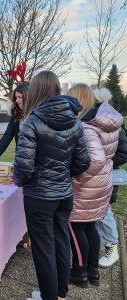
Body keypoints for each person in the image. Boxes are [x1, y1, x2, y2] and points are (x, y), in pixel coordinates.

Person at [13, 71, 90, 300]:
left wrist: (22, 181)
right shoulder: (75, 121)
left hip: (40, 197)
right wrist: (62, 175)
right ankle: (60, 294)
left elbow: (23, 167)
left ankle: (51, 296)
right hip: (63, 194)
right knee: (60, 241)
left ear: (35, 91)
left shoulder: (32, 121)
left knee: (44, 248)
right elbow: (83, 161)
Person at [67, 84, 123, 288]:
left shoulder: (86, 125)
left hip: (86, 185)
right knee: (90, 226)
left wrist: (73, 173)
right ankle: (93, 271)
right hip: (101, 182)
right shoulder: (105, 121)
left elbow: (95, 160)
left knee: (74, 226)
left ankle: (79, 272)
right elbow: (105, 157)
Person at [94, 88, 127, 268]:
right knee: (99, 211)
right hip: (97, 175)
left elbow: (123, 153)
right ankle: (103, 245)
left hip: (107, 175)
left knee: (104, 211)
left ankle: (111, 248)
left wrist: (100, 161)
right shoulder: (99, 122)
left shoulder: (114, 124)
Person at [0, 84, 29, 162]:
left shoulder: (36, 114)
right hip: (20, 157)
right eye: (16, 98)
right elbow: (7, 136)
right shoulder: (16, 115)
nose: (17, 100)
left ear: (28, 97)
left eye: (20, 97)